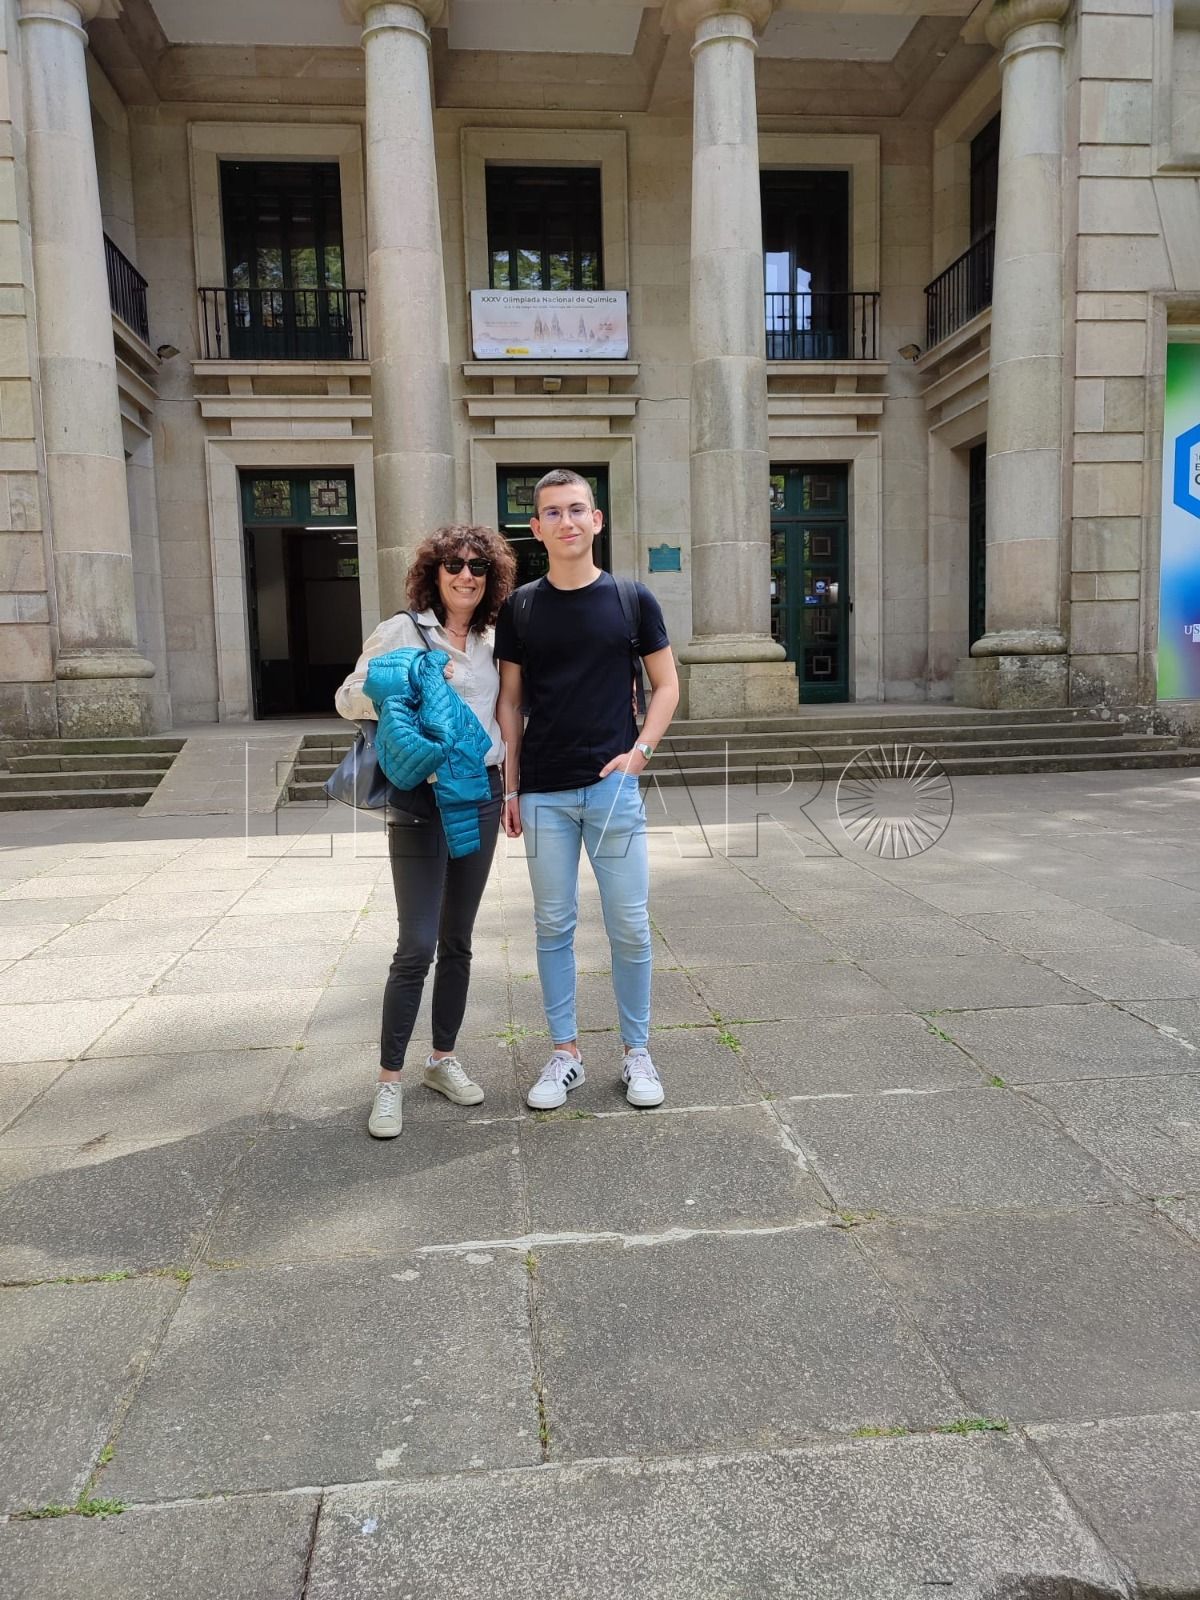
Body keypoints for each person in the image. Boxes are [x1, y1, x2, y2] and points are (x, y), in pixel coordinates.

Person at [494, 469, 680, 1111]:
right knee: (553, 925)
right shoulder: (519, 607)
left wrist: (640, 754)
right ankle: (565, 1054)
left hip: (611, 790)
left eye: (577, 509)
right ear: (536, 528)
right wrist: (512, 788)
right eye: (553, 512)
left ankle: (637, 1053)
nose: (567, 521)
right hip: (544, 791)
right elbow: (510, 703)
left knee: (629, 926)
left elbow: (667, 685)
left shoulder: (632, 599)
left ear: (596, 520)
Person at [336, 524, 516, 1139]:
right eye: (454, 564)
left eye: (478, 567)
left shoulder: (496, 640)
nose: (466, 575)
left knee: (458, 939)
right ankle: (388, 1083)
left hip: (482, 795)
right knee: (416, 944)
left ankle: (442, 1060)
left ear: (491, 579)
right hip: (420, 799)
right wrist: (402, 681)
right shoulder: (402, 631)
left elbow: (507, 715)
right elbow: (347, 695)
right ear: (433, 572)